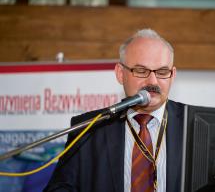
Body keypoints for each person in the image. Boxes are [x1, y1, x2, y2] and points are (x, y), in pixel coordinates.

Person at [44, 29, 185, 192]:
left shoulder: (194, 124)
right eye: (141, 71)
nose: (152, 81)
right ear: (120, 73)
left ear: (172, 75)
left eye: (161, 72)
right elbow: (60, 188)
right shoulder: (89, 128)